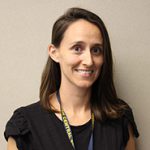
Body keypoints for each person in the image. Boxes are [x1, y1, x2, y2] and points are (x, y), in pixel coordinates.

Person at [4, 7, 139, 150]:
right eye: (77, 48)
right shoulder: (26, 125)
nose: (89, 60)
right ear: (54, 53)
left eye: (96, 50)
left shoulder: (120, 119)